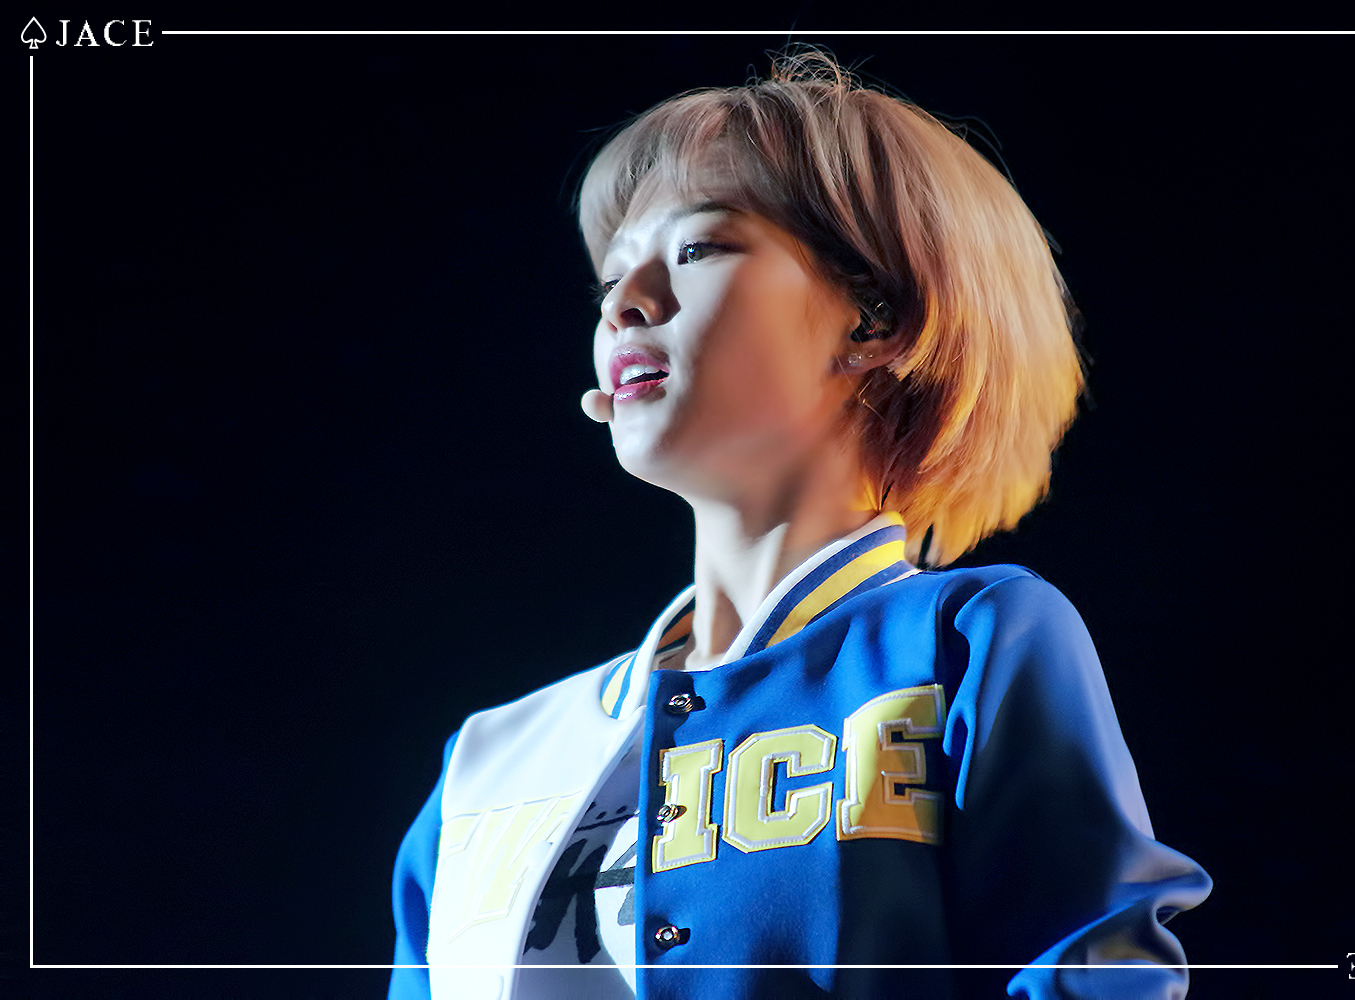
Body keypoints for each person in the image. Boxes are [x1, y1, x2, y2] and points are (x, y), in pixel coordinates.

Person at [389, 50, 1210, 1000]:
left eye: (697, 249)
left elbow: (1098, 973)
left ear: (875, 320)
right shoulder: (489, 760)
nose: (625, 305)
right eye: (608, 280)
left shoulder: (965, 642)